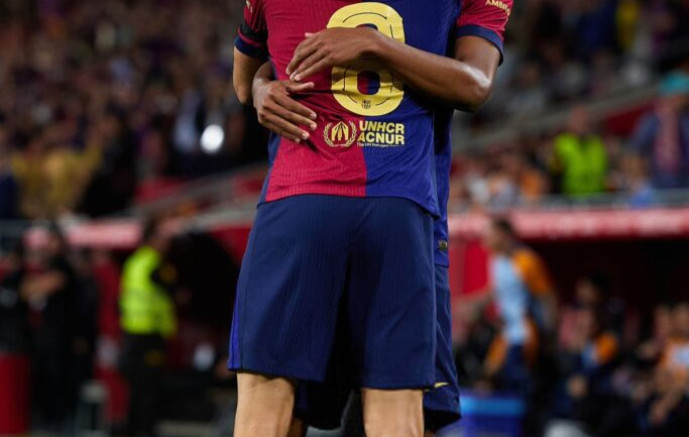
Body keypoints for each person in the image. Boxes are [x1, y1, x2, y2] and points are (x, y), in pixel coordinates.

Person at [230, 0, 510, 436]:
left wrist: (374, 44)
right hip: (396, 207)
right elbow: (247, 84)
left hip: (317, 202)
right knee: (395, 410)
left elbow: (242, 77)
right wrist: (264, 86)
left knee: (268, 407)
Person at [466, 218, 557, 392]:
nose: (485, 240)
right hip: (505, 333)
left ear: (503, 235)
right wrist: (473, 304)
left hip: (523, 333)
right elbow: (497, 290)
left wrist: (550, 332)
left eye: (490, 235)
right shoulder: (496, 260)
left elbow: (547, 297)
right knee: (487, 377)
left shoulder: (526, 261)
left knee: (515, 383)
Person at [119, 218, 177, 437]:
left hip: (132, 332)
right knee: (149, 387)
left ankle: (133, 429)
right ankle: (145, 430)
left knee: (135, 387)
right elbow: (171, 288)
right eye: (163, 238)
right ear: (152, 239)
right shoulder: (155, 263)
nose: (167, 243)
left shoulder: (134, 261)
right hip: (149, 334)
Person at [21, 224, 80, 431]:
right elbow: (26, 290)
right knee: (43, 377)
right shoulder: (47, 266)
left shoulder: (62, 265)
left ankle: (56, 421)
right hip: (43, 332)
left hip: (60, 333)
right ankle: (46, 418)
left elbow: (45, 285)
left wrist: (36, 284)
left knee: (56, 378)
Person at [629, 71, 689, 189]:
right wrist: (639, 182)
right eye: (681, 96)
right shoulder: (652, 121)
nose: (685, 100)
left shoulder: (685, 119)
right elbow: (635, 152)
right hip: (659, 184)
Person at [551, 106, 608, 197]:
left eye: (585, 121)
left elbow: (606, 171)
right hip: (570, 197)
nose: (582, 124)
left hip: (597, 196)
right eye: (578, 120)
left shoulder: (597, 144)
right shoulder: (562, 144)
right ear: (570, 123)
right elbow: (554, 174)